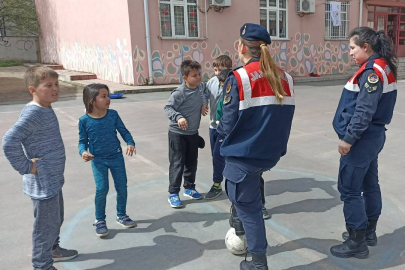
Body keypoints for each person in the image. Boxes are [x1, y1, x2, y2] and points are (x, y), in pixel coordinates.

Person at [217, 23, 295, 270]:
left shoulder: (238, 77)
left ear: (241, 47)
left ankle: (258, 263)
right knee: (245, 198)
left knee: (248, 207)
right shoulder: (286, 77)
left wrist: (219, 134)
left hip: (244, 155)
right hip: (268, 153)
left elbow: (227, 124)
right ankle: (238, 220)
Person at [330, 27, 397, 259]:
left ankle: (356, 239)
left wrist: (349, 139)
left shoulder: (371, 72)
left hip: (362, 139)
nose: (350, 52)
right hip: (372, 137)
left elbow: (364, 111)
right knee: (369, 184)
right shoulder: (382, 67)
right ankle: (369, 232)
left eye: (352, 48)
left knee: (349, 189)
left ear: (365, 47)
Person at [2, 66, 78, 270]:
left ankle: (53, 249)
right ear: (32, 89)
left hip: (52, 178)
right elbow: (9, 141)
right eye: (48, 86)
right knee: (45, 227)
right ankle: (42, 265)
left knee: (56, 218)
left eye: (57, 84)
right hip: (43, 181)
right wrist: (27, 166)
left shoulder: (45, 107)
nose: (55, 89)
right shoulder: (34, 113)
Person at [78, 83, 137, 237]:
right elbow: (82, 141)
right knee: (102, 189)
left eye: (108, 95)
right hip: (98, 160)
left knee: (122, 187)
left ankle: (121, 215)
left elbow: (124, 131)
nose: (108, 99)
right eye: (103, 96)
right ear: (92, 100)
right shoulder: (84, 120)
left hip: (116, 157)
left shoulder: (113, 115)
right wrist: (83, 152)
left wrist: (130, 142)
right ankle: (100, 220)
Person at [217, 69, 271, 220]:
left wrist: (222, 130)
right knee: (243, 180)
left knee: (248, 178)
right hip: (247, 143)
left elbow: (228, 122)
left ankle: (258, 206)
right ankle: (238, 210)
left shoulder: (240, 88)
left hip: (243, 143)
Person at [164, 60, 208, 208]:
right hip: (177, 134)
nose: (198, 77)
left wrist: (204, 103)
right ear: (185, 78)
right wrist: (179, 117)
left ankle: (189, 188)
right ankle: (173, 193)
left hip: (192, 133)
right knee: (178, 163)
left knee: (191, 161)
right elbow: (168, 108)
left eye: (199, 74)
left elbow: (205, 93)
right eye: (194, 75)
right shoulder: (179, 93)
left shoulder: (200, 87)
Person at [204, 55, 233, 200]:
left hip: (227, 128)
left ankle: (218, 183)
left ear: (228, 68)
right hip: (213, 126)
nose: (216, 72)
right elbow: (204, 93)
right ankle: (219, 183)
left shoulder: (234, 83)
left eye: (220, 69)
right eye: (215, 69)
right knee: (216, 156)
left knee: (223, 156)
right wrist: (204, 103)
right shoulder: (212, 82)